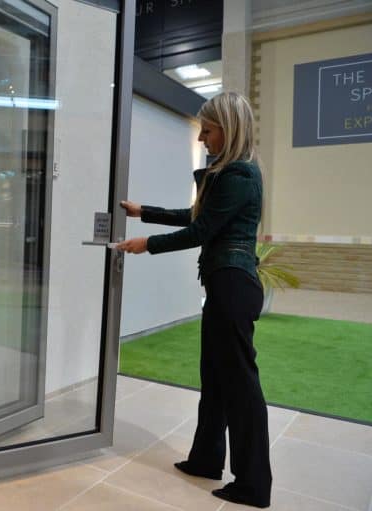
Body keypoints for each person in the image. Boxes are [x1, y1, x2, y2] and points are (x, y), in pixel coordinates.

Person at [115, 91, 272, 508]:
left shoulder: (239, 175)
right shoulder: (234, 173)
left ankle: (254, 483)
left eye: (208, 129)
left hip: (233, 287)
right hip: (226, 286)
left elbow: (198, 232)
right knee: (216, 380)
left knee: (240, 387)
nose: (202, 137)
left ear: (228, 129)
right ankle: (206, 459)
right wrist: (143, 211)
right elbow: (197, 216)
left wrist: (145, 244)